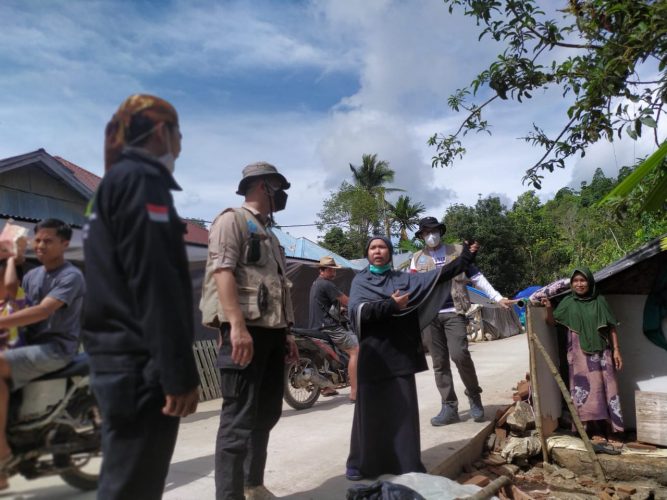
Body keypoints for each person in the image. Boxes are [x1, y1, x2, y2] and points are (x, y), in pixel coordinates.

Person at [82, 94, 200, 499]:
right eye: (179, 133)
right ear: (163, 131)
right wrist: (177, 372)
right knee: (132, 489)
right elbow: (155, 281)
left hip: (118, 360)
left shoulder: (112, 184)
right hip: (139, 365)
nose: (181, 144)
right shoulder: (142, 181)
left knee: (126, 485)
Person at [200, 161, 299, 500]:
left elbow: (276, 287)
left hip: (271, 334)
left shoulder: (268, 233)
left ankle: (252, 485)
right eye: (278, 187)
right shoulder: (231, 220)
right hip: (244, 333)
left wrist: (287, 335)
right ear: (262, 186)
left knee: (266, 413)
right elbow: (222, 272)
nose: (282, 195)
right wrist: (237, 326)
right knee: (237, 421)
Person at [346, 235, 477, 481]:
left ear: (390, 252)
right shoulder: (360, 281)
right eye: (373, 247)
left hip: (399, 354)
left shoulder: (404, 279)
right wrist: (389, 306)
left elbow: (439, 275)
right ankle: (363, 464)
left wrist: (466, 257)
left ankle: (406, 462)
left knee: (402, 412)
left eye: (382, 247)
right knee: (370, 412)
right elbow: (356, 312)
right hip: (373, 356)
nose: (377, 251)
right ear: (367, 253)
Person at [0, 219, 85, 490]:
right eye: (37, 240)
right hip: (29, 346)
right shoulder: (33, 275)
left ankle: (2, 451)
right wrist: (13, 260)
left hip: (56, 348)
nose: (40, 245)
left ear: (64, 244)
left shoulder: (70, 276)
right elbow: (13, 296)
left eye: (48, 241)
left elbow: (42, 311)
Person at [410, 216, 511, 425]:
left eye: (434, 230)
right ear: (421, 236)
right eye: (426, 232)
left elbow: (476, 277)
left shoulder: (457, 252)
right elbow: (412, 288)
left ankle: (474, 396)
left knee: (460, 354)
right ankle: (449, 407)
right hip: (429, 316)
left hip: (454, 311)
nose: (431, 235)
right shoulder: (416, 258)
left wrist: (497, 297)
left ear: (440, 231)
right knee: (439, 363)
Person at [542, 267, 624, 447]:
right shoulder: (567, 302)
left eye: (583, 280)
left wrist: (616, 350)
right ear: (571, 284)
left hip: (603, 352)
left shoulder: (600, 300)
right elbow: (552, 322)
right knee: (588, 392)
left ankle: (611, 430)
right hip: (579, 355)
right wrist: (548, 308)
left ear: (590, 282)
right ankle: (594, 430)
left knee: (608, 390)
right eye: (575, 281)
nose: (579, 284)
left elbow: (611, 327)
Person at [308, 256, 359, 401]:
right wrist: (360, 304)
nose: (334, 272)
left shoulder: (316, 283)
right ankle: (355, 392)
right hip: (329, 326)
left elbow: (329, 305)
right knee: (355, 350)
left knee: (327, 355)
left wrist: (341, 310)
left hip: (316, 326)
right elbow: (346, 301)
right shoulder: (327, 284)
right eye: (333, 269)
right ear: (327, 270)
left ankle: (327, 387)